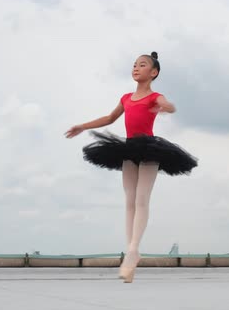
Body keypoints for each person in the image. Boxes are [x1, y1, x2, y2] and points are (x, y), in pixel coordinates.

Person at [65, 52, 197, 283]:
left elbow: (169, 106)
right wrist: (82, 126)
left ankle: (134, 249)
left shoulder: (155, 96)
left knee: (141, 199)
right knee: (129, 200)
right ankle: (131, 252)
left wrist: (166, 106)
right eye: (134, 65)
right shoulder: (126, 97)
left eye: (142, 65)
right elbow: (109, 118)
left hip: (149, 148)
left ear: (153, 72)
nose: (136, 68)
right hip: (127, 148)